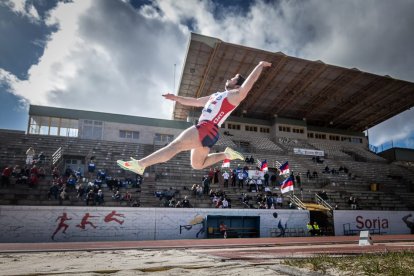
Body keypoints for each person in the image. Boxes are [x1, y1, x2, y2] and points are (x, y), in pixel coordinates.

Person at [117, 61, 272, 175]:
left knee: (175, 146)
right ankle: (226, 154)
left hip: (206, 127)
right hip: (210, 132)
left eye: (233, 78)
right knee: (197, 165)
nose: (230, 78)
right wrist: (176, 98)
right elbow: (196, 101)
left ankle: (141, 164)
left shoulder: (235, 95)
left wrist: (259, 65)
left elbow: (249, 83)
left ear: (237, 86)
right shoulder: (216, 95)